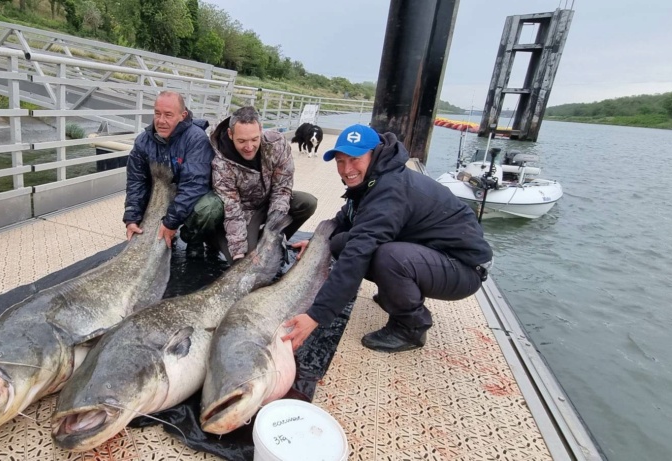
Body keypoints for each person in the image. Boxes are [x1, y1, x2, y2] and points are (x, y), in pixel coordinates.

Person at [281, 124, 493, 353]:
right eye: (340, 161)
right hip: (434, 252)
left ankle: (410, 327)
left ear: (374, 154)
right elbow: (346, 218)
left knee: (386, 256)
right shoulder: (373, 179)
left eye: (355, 159)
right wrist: (317, 244)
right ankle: (396, 293)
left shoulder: (390, 189)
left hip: (463, 268)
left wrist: (316, 316)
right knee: (341, 242)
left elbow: (358, 252)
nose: (346, 169)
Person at [209, 106, 317, 261]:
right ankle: (216, 240)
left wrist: (272, 232)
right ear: (230, 134)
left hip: (268, 203)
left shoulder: (277, 144)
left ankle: (278, 240)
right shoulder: (221, 164)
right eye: (242, 141)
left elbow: (282, 189)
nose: (249, 147)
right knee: (246, 260)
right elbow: (232, 210)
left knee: (308, 202)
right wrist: (238, 253)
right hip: (243, 211)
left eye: (254, 139)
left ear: (260, 129)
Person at [123, 91, 222, 250]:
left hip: (189, 199)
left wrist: (170, 222)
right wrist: (131, 218)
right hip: (160, 198)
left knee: (209, 208)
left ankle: (193, 239)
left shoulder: (196, 139)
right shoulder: (142, 141)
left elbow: (194, 185)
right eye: (157, 113)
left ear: (182, 115)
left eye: (168, 115)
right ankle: (164, 232)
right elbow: (136, 182)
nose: (161, 121)